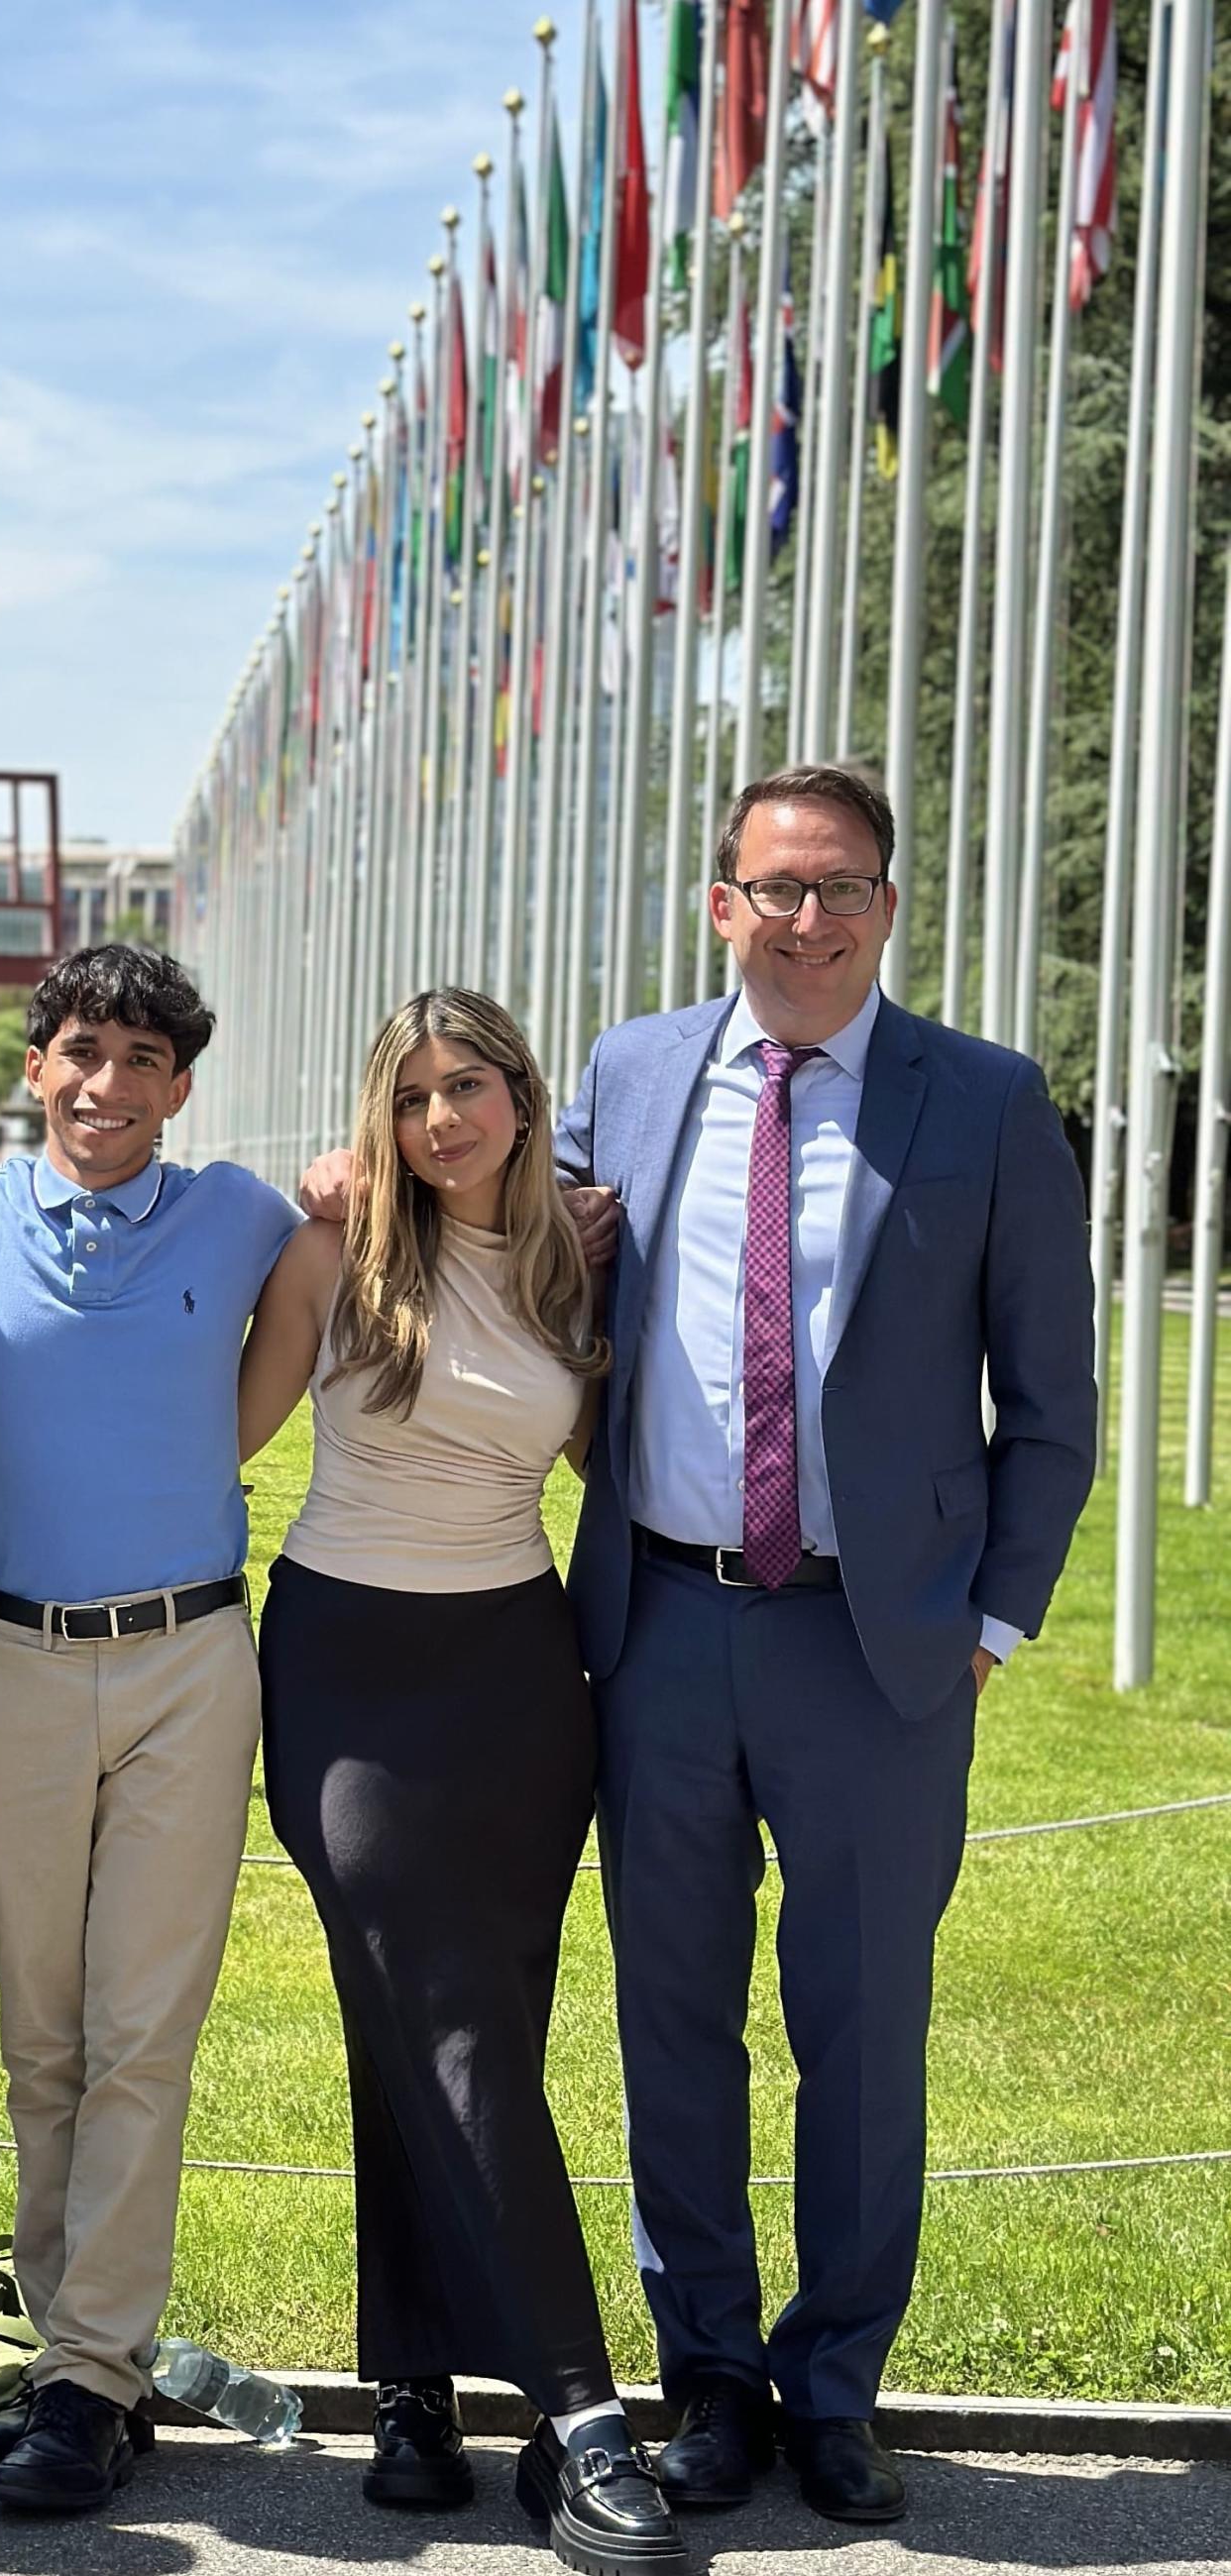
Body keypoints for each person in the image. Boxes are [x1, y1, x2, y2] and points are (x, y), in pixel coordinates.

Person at [552, 767, 1095, 2522]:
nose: (806, 918)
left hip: (877, 1653)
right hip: (655, 1623)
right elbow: (486, 1225)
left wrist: (989, 1627)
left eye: (840, 886)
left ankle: (838, 2379)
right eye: (774, 888)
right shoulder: (632, 1077)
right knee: (673, 2021)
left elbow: (1054, 1410)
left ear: (885, 905)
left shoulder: (992, 1102)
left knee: (864, 2026)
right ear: (722, 905)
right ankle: (709, 2375)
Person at [241, 989, 685, 2576]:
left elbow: (601, 1455)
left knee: (442, 2025)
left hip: (519, 1675)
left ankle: (418, 2390)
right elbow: (213, 1436)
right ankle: (579, 2421)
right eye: (414, 1096)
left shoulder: (583, 1254)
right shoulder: (330, 1256)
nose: (443, 1120)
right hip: (349, 1669)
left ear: (520, 1094)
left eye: (470, 1089)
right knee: (452, 2024)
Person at [0, 946, 300, 2515]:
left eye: (145, 1062)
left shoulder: (254, 1217)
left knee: (143, 2034)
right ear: (36, 1064)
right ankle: (84, 2366)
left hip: (191, 1660)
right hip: (12, 1657)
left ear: (182, 1086)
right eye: (82, 1052)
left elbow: (338, 1281)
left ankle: (85, 2379)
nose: (108, 1087)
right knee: (43, 2039)